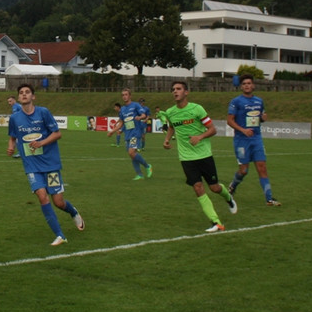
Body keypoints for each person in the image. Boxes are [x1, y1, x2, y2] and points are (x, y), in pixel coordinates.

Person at [7, 83, 84, 246]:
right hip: (31, 165)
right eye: (21, 93)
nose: (24, 95)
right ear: (19, 98)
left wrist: (41, 143)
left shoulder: (43, 113)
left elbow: (57, 134)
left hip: (50, 164)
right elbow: (13, 135)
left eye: (27, 92)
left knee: (58, 202)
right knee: (42, 197)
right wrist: (11, 146)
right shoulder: (14, 118)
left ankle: (73, 212)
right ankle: (60, 235)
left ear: (33, 96)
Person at [162, 80, 237, 232]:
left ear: (186, 92)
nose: (175, 91)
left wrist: (199, 137)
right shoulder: (170, 112)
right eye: (173, 89)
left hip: (204, 155)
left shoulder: (197, 109)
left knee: (214, 188)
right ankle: (216, 222)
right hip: (186, 157)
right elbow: (171, 126)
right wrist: (167, 139)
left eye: (178, 89)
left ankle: (228, 198)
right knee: (197, 187)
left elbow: (213, 129)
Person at [226, 75, 280, 206]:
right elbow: (229, 120)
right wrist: (243, 130)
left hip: (256, 139)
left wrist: (263, 118)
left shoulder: (259, 101)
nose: (247, 85)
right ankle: (233, 185)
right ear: (241, 86)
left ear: (253, 85)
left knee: (262, 168)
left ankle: (269, 198)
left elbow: (260, 117)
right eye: (244, 83)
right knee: (244, 171)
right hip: (241, 140)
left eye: (249, 83)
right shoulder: (236, 101)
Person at [107, 88, 152, 180]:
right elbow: (121, 123)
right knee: (132, 155)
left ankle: (147, 166)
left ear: (130, 96)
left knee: (131, 152)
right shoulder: (122, 109)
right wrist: (112, 131)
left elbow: (144, 115)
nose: (124, 96)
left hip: (136, 133)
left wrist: (140, 117)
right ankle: (139, 174)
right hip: (128, 134)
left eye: (126, 94)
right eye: (123, 95)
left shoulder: (135, 105)